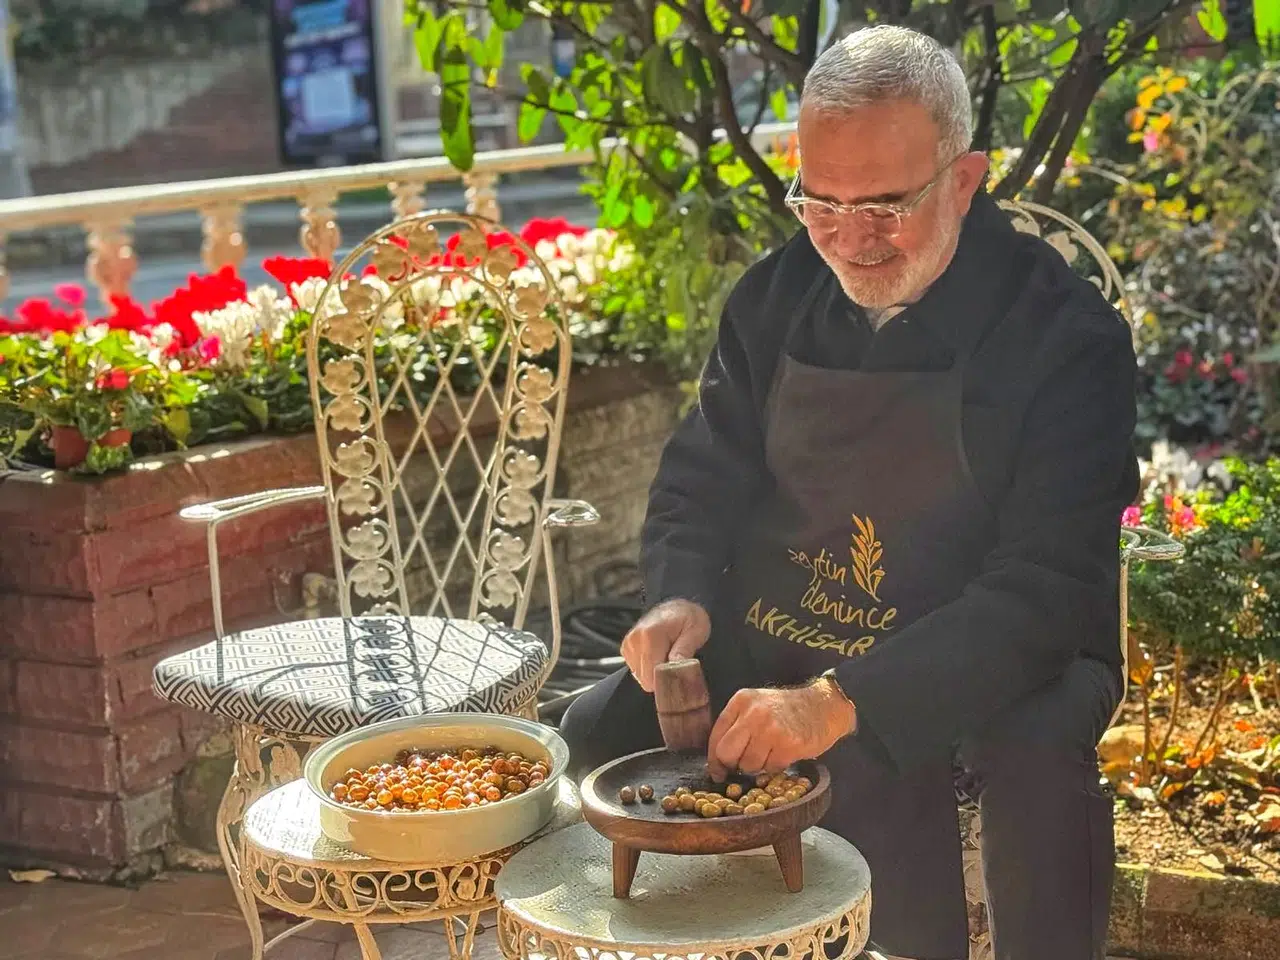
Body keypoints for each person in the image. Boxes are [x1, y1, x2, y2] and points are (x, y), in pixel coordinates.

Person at [559, 23, 1138, 960]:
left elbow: (1050, 588)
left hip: (999, 647)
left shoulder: (1065, 337)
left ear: (963, 178)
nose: (850, 240)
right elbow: (698, 475)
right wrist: (678, 596)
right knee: (600, 728)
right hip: (786, 620)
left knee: (1027, 761)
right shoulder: (775, 296)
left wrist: (838, 700)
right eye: (819, 204)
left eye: (885, 206)